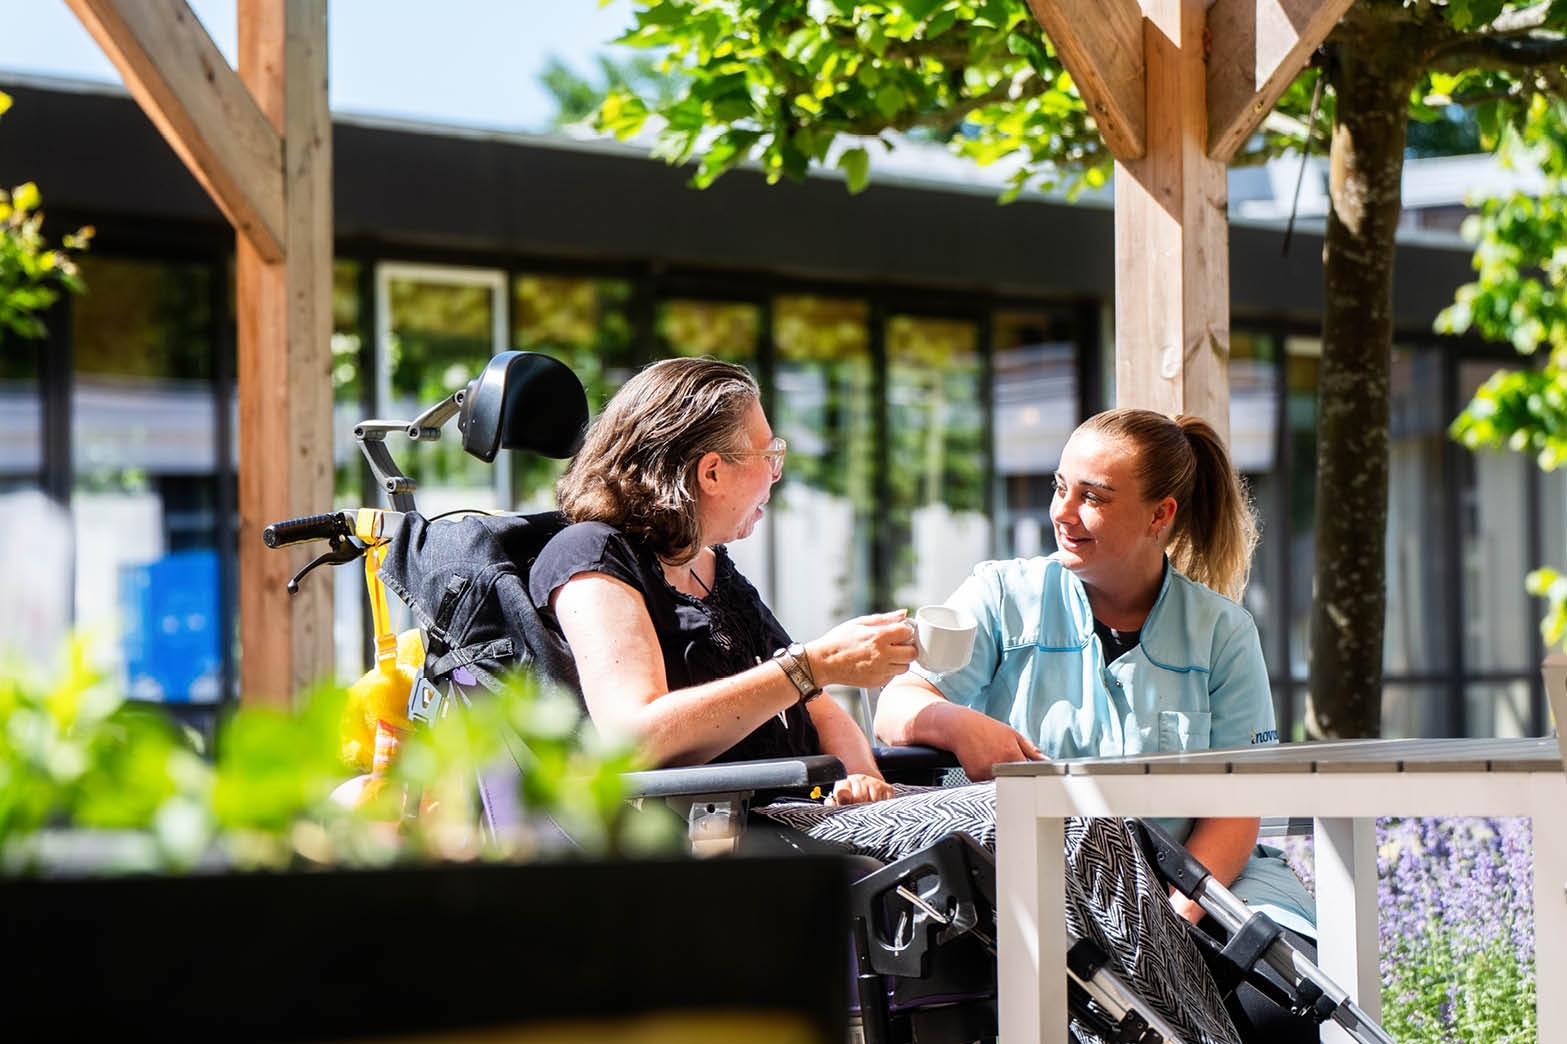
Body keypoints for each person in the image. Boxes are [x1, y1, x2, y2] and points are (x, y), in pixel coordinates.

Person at [527, 359, 1245, 1044]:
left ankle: (1158, 1022)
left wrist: (857, 774)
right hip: (728, 826)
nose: (776, 472)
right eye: (767, 453)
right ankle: (1194, 1032)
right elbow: (629, 737)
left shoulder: (709, 568)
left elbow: (815, 704)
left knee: (1073, 818)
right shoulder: (593, 558)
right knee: (1066, 821)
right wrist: (812, 665)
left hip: (812, 811)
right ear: (711, 471)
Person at [875, 407, 1318, 1041]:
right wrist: (956, 725)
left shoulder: (1223, 631)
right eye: (1061, 486)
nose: (1062, 510)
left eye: (1093, 497)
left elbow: (1234, 804)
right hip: (1041, 892)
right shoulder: (1002, 596)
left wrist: (1168, 927)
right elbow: (897, 706)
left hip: (1199, 882)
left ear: (1159, 515)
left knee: (1283, 1008)